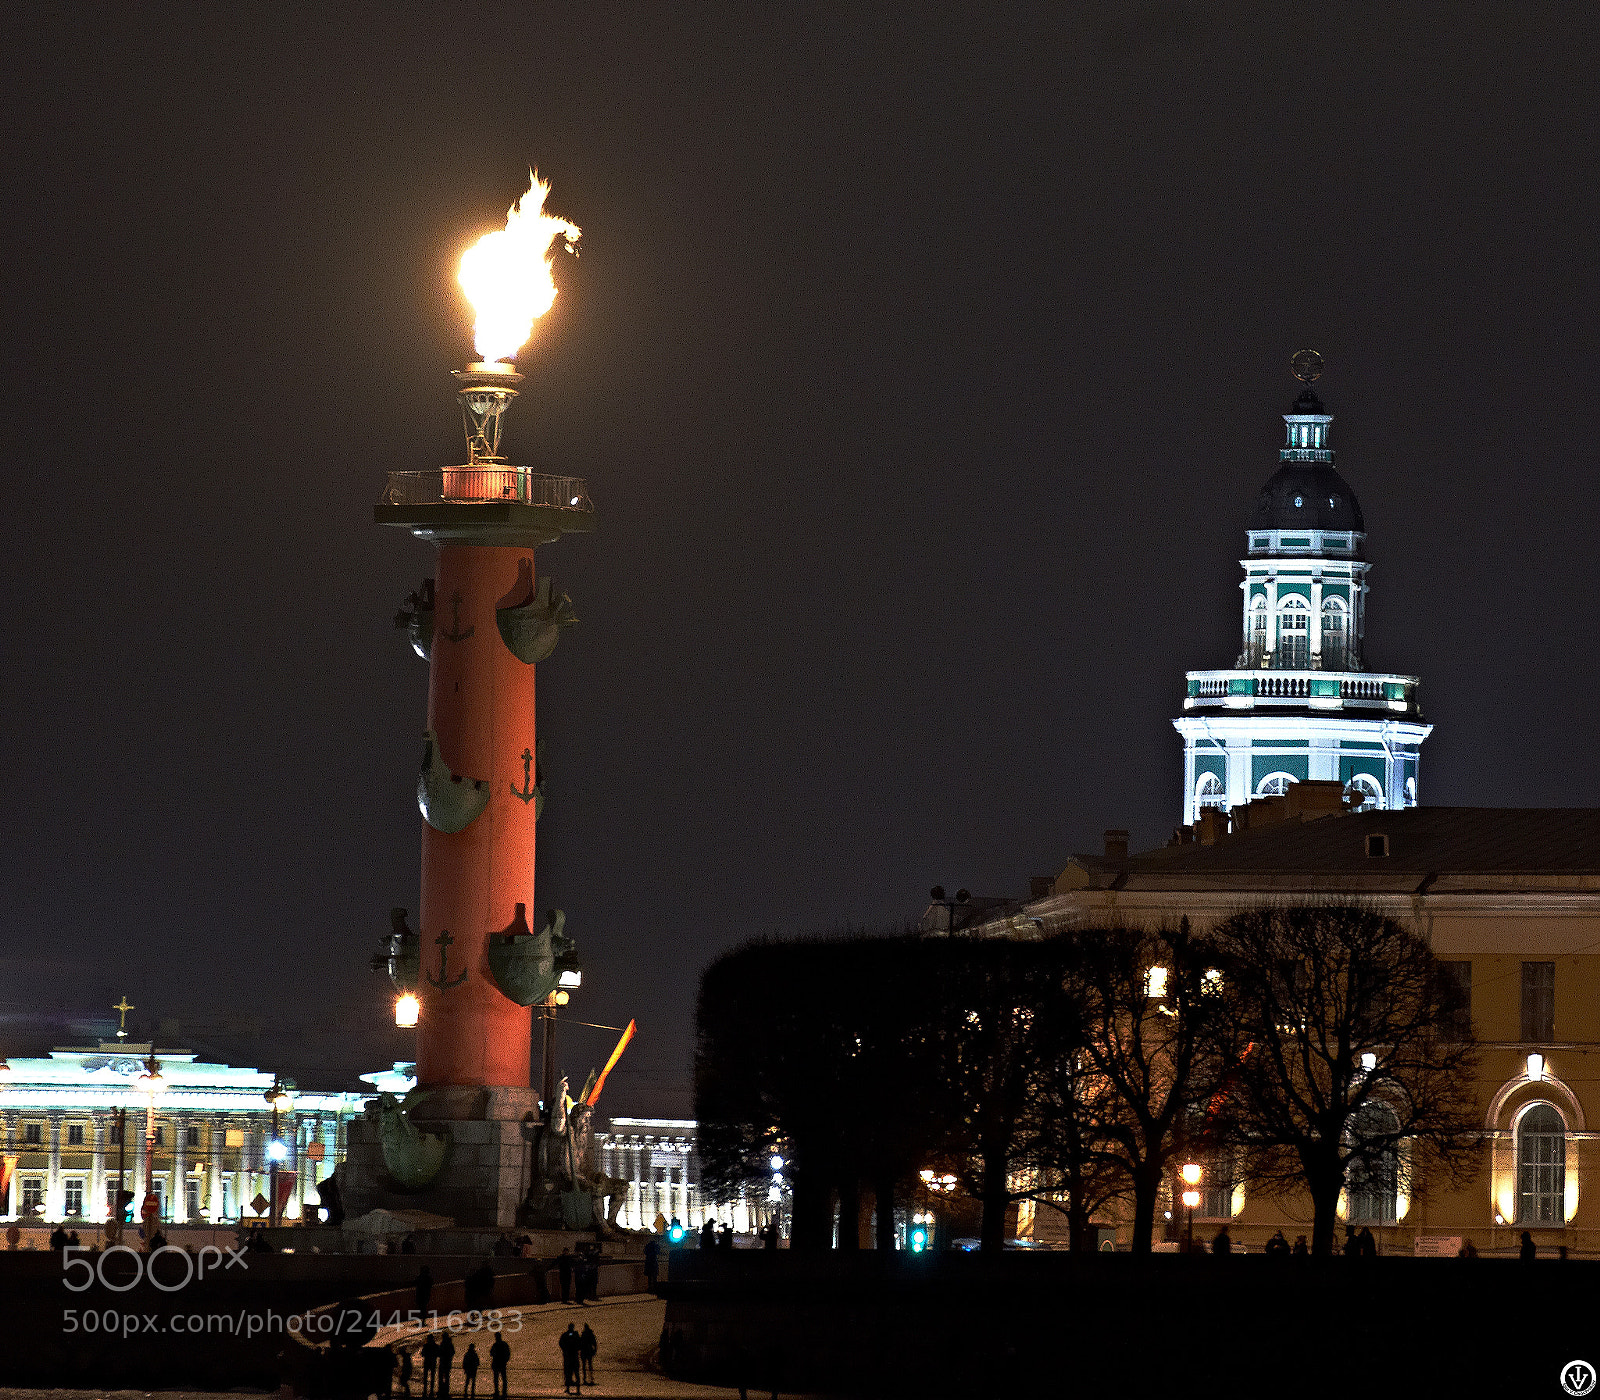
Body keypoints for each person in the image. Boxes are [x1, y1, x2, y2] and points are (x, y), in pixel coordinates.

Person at [558, 1322, 583, 1394]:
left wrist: (565, 1349)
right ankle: (576, 1389)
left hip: (569, 1356)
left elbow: (561, 1343)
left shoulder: (565, 1335)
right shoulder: (575, 1335)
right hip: (573, 1356)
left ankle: (569, 1388)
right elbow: (580, 1343)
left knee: (569, 1373)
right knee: (575, 1373)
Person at [489, 1332, 511, 1398]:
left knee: (497, 1379)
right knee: (503, 1379)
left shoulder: (495, 1345)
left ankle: (497, 1391)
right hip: (502, 1364)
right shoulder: (504, 1344)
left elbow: (491, 1353)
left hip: (496, 1363)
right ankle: (504, 1392)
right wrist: (505, 1360)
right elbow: (508, 1353)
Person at [437, 1330, 456, 1399]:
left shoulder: (444, 1344)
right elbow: (453, 1352)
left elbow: (440, 1352)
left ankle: (442, 1390)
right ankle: (445, 1391)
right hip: (447, 1362)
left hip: (443, 1362)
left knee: (442, 1377)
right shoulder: (449, 1344)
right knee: (446, 1377)